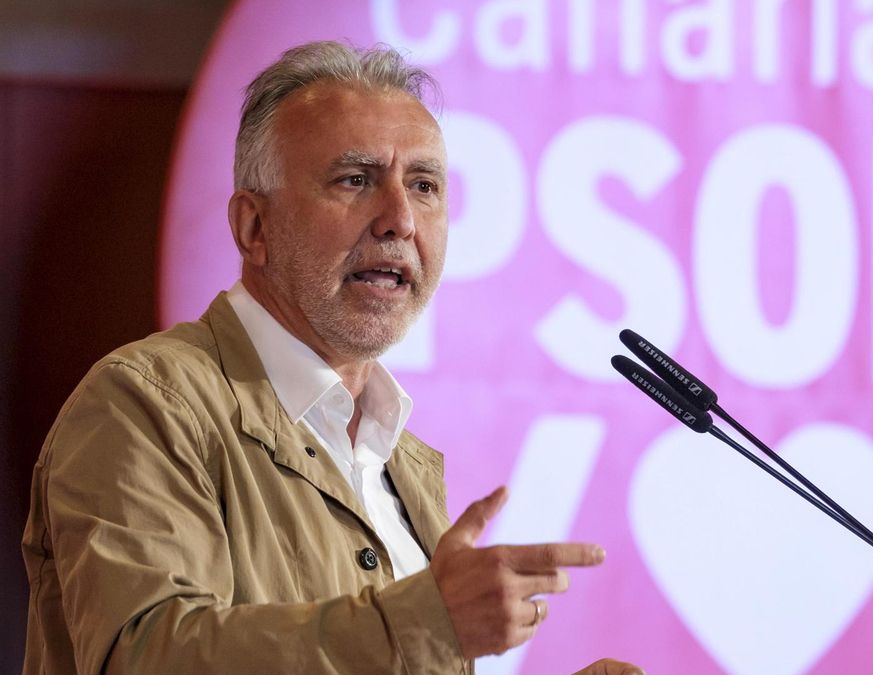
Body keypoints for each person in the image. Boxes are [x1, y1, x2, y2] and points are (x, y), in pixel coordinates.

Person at [22, 40, 643, 675]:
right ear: (254, 228)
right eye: (356, 180)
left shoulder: (401, 463)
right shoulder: (145, 405)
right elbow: (143, 658)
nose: (400, 219)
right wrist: (419, 624)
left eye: (424, 186)